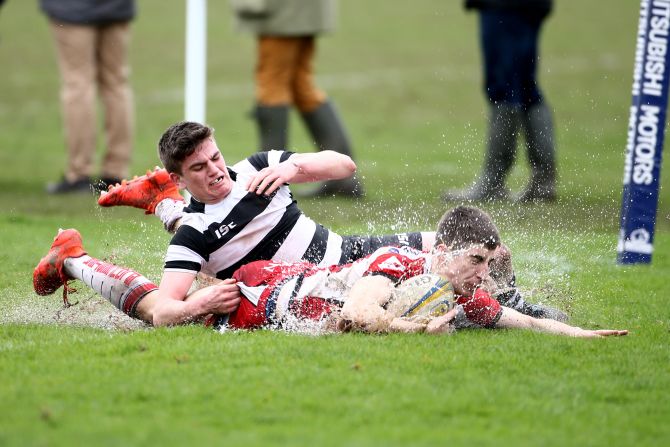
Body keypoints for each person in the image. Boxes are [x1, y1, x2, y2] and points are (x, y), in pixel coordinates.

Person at [32, 207, 626, 339]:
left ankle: (163, 202)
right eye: (476, 262)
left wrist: (582, 336)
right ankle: (75, 258)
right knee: (167, 315)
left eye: (487, 266)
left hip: (290, 275)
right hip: (262, 300)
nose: (482, 278)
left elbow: (514, 319)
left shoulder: (458, 286)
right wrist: (413, 331)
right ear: (445, 252)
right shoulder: (404, 264)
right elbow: (357, 314)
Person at [231, 0, 363, 197]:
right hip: (302, 9)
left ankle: (268, 184)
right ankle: (342, 179)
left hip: (282, 10)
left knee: (272, 84)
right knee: (300, 85)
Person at [444, 0, 557, 203]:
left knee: (502, 87)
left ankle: (493, 181)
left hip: (503, 5)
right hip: (531, 6)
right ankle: (543, 181)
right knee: (525, 87)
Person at [40, 0, 135, 193]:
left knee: (78, 85)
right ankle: (115, 172)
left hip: (71, 9)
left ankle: (79, 173)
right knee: (116, 84)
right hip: (116, 7)